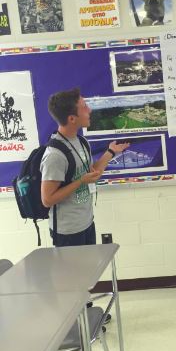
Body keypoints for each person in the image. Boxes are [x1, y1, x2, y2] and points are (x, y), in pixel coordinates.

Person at [40, 87, 130, 247]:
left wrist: (110, 152)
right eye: (84, 107)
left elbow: (91, 174)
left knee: (88, 271)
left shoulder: (81, 142)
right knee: (73, 273)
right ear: (72, 118)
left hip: (87, 223)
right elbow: (47, 200)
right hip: (67, 232)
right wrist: (80, 181)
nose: (89, 110)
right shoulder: (55, 155)